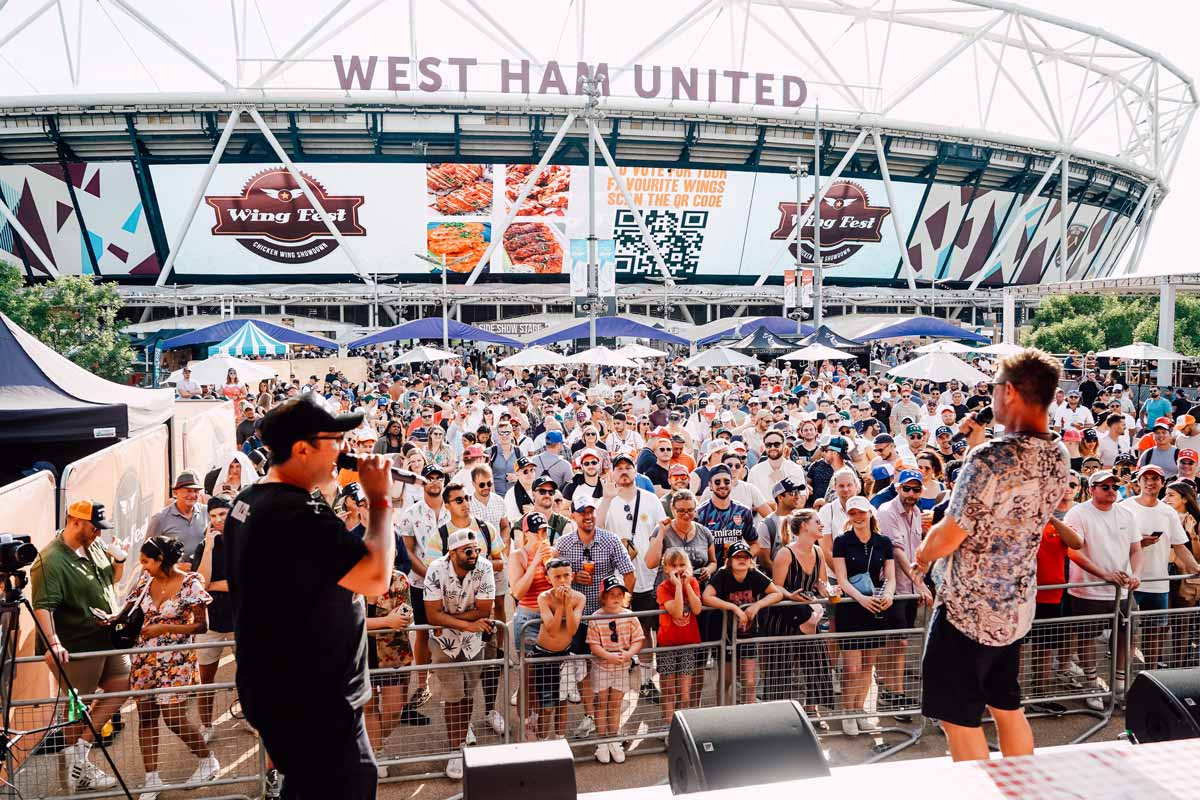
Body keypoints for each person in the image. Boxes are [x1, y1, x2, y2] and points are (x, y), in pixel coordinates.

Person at [224, 392, 397, 797]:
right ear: (302, 449)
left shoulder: (248, 502)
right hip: (318, 703)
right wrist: (379, 499)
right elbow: (375, 577)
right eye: (334, 439)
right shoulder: (297, 513)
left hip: (284, 694)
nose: (344, 449)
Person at [913, 349, 1070, 760]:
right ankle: (1022, 785)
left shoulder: (990, 458)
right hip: (1016, 607)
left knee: (959, 718)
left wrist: (923, 553)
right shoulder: (1059, 455)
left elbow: (949, 534)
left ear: (1012, 392)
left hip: (968, 610)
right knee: (1007, 706)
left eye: (995, 387)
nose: (991, 395)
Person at [31, 500, 128, 792]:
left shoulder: (94, 545)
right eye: (94, 526)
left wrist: (119, 561)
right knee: (77, 707)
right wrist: (54, 643)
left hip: (105, 638)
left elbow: (112, 578)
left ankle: (81, 749)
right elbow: (42, 606)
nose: (99, 532)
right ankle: (74, 775)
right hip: (76, 648)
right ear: (75, 521)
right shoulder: (50, 560)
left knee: (124, 684)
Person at [123, 536, 218, 798]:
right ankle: (152, 779)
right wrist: (111, 619)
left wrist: (165, 627)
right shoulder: (145, 582)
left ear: (160, 559)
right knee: (146, 716)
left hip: (176, 660)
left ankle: (207, 760)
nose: (143, 566)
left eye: (146, 561)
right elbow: (128, 610)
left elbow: (202, 626)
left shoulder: (191, 584)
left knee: (174, 718)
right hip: (144, 660)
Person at [554, 494, 636, 738]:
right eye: (582, 511)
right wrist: (573, 576)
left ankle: (609, 719)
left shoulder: (610, 540)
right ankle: (591, 715)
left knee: (609, 665)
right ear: (574, 515)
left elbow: (629, 574)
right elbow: (555, 577)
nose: (588, 516)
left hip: (605, 617)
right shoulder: (564, 544)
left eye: (591, 511)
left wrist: (623, 607)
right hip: (577, 617)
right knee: (582, 666)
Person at [1064, 469, 1142, 709]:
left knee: (1127, 634)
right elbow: (1072, 551)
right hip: (1088, 590)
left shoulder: (1127, 514)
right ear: (1092, 489)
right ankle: (1091, 684)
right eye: (1104, 487)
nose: (1111, 491)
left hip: (1123, 591)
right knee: (1087, 637)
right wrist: (1104, 574)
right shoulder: (1077, 513)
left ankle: (1119, 684)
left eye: (1114, 487)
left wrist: (1136, 575)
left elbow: (1136, 549)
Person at [423, 528, 496, 780]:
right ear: (452, 552)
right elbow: (432, 616)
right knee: (454, 697)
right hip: (445, 645)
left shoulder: (484, 567)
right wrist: (466, 623)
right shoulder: (435, 569)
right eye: (468, 550)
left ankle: (463, 737)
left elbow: (484, 609)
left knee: (467, 695)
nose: (474, 554)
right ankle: (456, 750)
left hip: (474, 643)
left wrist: (449, 618)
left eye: (476, 549)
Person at [595, 452, 667, 700]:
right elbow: (597, 527)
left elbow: (661, 532)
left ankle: (647, 681)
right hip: (618, 579)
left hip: (648, 575)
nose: (624, 472)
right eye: (619, 468)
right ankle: (616, 686)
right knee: (617, 630)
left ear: (635, 472)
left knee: (646, 631)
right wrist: (605, 499)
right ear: (613, 473)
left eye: (628, 467)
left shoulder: (650, 499)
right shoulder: (608, 501)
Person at [1121, 465, 1200, 675]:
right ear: (1138, 482)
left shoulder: (1168, 512)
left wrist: (1196, 568)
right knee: (1125, 633)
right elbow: (1114, 543)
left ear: (1162, 483)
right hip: (1129, 582)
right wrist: (1138, 543)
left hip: (1159, 583)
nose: (1150, 482)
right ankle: (1121, 681)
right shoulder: (1124, 507)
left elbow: (1180, 547)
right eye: (1145, 478)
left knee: (1155, 634)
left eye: (1155, 478)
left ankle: (1152, 676)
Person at [831, 497, 897, 736]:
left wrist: (888, 594)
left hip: (876, 607)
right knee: (851, 667)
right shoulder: (841, 542)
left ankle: (859, 710)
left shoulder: (883, 542)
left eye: (861, 513)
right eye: (853, 513)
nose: (857, 517)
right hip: (851, 608)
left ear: (870, 513)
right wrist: (861, 599)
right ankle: (848, 712)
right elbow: (842, 579)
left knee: (867, 665)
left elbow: (889, 576)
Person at [875, 468, 932, 715]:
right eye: (906, 488)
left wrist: (919, 582)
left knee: (899, 642)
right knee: (896, 642)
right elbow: (897, 552)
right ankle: (893, 693)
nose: (910, 493)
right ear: (897, 487)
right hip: (894, 587)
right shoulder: (887, 511)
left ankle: (891, 690)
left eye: (915, 489)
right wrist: (919, 583)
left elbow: (916, 550)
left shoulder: (917, 512)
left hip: (909, 587)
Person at [765, 511, 833, 716]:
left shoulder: (819, 552)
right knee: (780, 666)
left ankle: (812, 709)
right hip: (783, 616)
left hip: (808, 615)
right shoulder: (785, 553)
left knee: (817, 662)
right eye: (818, 522)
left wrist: (829, 590)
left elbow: (821, 584)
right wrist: (791, 597)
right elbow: (775, 587)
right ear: (804, 525)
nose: (822, 526)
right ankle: (778, 714)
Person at [702, 540, 783, 704]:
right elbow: (706, 597)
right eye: (737, 556)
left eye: (745, 556)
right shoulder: (722, 575)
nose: (742, 559)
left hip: (748, 634)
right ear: (729, 560)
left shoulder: (754, 574)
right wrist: (733, 607)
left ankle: (750, 718)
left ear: (750, 559)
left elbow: (776, 593)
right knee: (727, 680)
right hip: (725, 635)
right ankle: (723, 714)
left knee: (750, 681)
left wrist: (757, 605)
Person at [586, 575, 645, 764]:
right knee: (601, 703)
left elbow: (638, 639)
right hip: (602, 666)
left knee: (616, 703)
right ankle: (601, 741)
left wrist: (629, 654)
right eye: (612, 594)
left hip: (621, 665)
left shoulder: (629, 615)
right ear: (603, 596)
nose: (616, 598)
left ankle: (613, 739)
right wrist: (608, 656)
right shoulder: (595, 618)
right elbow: (593, 645)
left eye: (620, 594)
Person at [527, 558, 585, 741]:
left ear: (572, 576)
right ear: (548, 578)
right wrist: (561, 604)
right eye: (557, 577)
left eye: (566, 575)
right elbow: (551, 629)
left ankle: (560, 739)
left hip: (565, 655)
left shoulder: (579, 598)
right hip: (544, 655)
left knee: (562, 703)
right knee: (547, 705)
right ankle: (543, 742)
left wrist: (567, 603)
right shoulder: (544, 597)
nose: (562, 580)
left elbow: (573, 629)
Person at [194, 496, 235, 743]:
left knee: (249, 676)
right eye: (213, 516)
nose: (218, 520)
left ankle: (253, 719)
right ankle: (206, 725)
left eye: (222, 514)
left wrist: (214, 585)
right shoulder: (204, 545)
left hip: (241, 621)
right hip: (211, 623)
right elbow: (201, 583)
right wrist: (208, 548)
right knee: (206, 678)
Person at [655, 547, 703, 729]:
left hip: (688, 644)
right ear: (666, 568)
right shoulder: (663, 588)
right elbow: (675, 611)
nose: (678, 568)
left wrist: (688, 585)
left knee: (684, 693)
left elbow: (697, 609)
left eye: (682, 564)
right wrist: (677, 586)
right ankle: (668, 726)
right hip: (667, 644)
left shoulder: (693, 583)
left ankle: (683, 727)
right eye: (673, 565)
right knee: (669, 690)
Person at [146, 471, 208, 568]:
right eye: (188, 490)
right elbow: (148, 555)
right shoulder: (160, 518)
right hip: (173, 579)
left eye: (196, 491)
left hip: (203, 577)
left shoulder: (207, 512)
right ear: (175, 492)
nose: (192, 495)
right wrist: (176, 567)